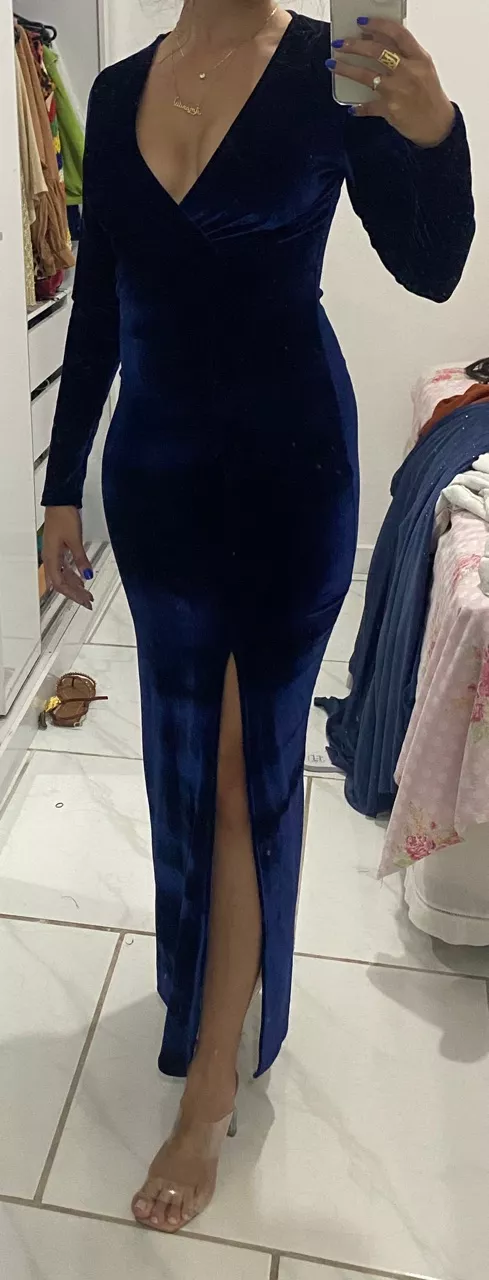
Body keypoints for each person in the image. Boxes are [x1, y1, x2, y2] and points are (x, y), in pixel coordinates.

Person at [42, 0, 474, 1234]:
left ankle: (211, 1088)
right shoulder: (116, 90)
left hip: (290, 475)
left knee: (243, 772)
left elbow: (432, 264)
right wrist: (61, 486)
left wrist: (434, 132)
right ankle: (210, 995)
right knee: (183, 759)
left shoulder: (331, 69)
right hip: (159, 483)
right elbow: (100, 303)